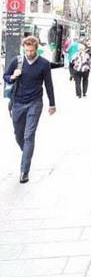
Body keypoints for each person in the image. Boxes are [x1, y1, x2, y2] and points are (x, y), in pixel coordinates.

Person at [3, 35, 56, 183]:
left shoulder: (44, 64)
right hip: (18, 103)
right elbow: (5, 76)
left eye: (32, 51)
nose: (29, 53)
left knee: (29, 135)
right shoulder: (17, 61)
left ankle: (24, 171)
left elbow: (49, 84)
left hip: (35, 102)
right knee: (18, 135)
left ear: (36, 49)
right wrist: (12, 76)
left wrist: (52, 103)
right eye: (27, 50)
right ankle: (27, 152)